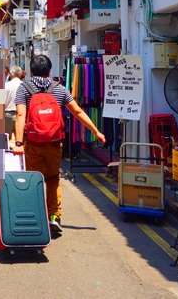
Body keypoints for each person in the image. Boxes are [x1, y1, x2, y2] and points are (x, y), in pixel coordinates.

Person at [11, 55, 106, 236]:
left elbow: (20, 115)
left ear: (30, 71)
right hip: (54, 143)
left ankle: (36, 215)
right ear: (49, 71)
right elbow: (77, 110)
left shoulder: (24, 88)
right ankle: (54, 217)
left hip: (33, 142)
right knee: (53, 179)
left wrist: (17, 143)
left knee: (34, 179)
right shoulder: (60, 89)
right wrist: (96, 131)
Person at [3, 65, 23, 138]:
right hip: (22, 115)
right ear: (21, 75)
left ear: (11, 74)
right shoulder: (24, 86)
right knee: (20, 139)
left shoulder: (6, 85)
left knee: (5, 139)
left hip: (8, 114)